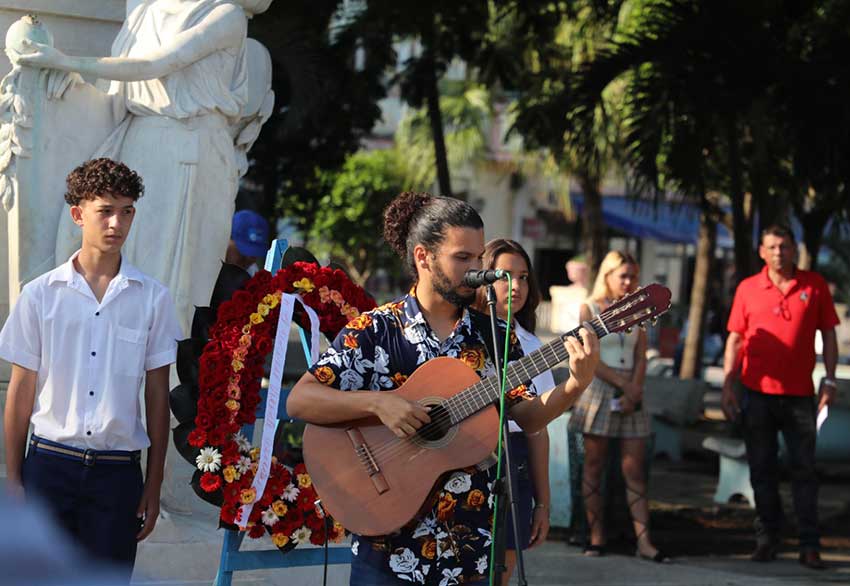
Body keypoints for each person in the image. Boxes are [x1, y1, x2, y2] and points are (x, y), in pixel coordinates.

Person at [286, 192, 599, 585]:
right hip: (389, 546)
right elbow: (301, 399)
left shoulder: (494, 336)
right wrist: (379, 404)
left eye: (478, 259)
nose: (475, 271)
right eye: (462, 258)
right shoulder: (377, 329)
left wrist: (575, 383)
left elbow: (525, 415)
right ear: (424, 257)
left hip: (470, 548)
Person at [17, 0, 275, 335]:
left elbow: (157, 63)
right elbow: (115, 92)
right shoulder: (144, 13)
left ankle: (165, 382)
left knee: (173, 285)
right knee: (123, 266)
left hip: (190, 151)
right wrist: (67, 79)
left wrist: (67, 61)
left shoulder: (225, 15)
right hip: (139, 140)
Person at [0, 158, 182, 581]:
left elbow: (157, 395)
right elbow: (21, 392)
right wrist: (14, 479)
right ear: (78, 214)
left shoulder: (153, 298)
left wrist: (153, 483)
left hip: (118, 477)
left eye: (127, 210)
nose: (117, 222)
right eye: (106, 210)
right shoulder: (39, 296)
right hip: (48, 467)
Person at [721, 225, 839, 570]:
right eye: (772, 247)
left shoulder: (814, 285)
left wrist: (829, 380)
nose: (778, 253)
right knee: (762, 471)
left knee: (804, 471)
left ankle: (809, 544)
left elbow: (829, 335)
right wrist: (729, 384)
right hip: (756, 395)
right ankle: (767, 540)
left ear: (794, 250)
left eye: (784, 247)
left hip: (801, 396)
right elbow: (735, 340)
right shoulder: (747, 288)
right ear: (761, 251)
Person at [567, 251, 667, 562]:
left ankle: (644, 541)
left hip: (633, 389)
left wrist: (634, 389)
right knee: (594, 466)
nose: (628, 282)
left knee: (634, 469)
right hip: (599, 387)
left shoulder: (640, 309)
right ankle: (596, 536)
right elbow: (588, 355)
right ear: (607, 276)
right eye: (622, 275)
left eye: (633, 276)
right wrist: (623, 385)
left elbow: (641, 354)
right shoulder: (590, 308)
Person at [473, 239, 561, 586]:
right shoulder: (454, 334)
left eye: (524, 277)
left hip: (515, 467)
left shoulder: (531, 345)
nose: (517, 287)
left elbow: (537, 429)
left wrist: (543, 503)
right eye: (505, 275)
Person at [549, 255, 589, 333]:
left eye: (574, 270)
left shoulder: (588, 292)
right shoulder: (560, 291)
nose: (571, 272)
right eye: (570, 270)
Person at [225, 209, 271, 276]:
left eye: (254, 254)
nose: (248, 259)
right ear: (228, 239)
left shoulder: (252, 273)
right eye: (243, 252)